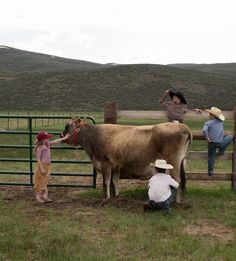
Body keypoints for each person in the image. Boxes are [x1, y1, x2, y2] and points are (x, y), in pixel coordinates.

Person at [34, 131, 70, 203]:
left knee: (45, 181)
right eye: (47, 138)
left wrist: (64, 138)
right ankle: (38, 196)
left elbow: (55, 141)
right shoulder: (40, 148)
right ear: (43, 139)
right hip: (42, 166)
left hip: (47, 166)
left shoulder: (47, 145)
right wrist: (41, 168)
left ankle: (44, 196)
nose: (48, 139)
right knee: (39, 181)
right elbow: (38, 159)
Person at [201, 107, 233, 176]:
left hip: (211, 143)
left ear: (212, 116)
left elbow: (204, 130)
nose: (208, 115)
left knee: (211, 157)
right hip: (220, 143)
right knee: (230, 137)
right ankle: (221, 151)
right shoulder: (220, 122)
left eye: (210, 114)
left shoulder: (207, 123)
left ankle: (210, 171)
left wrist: (207, 138)